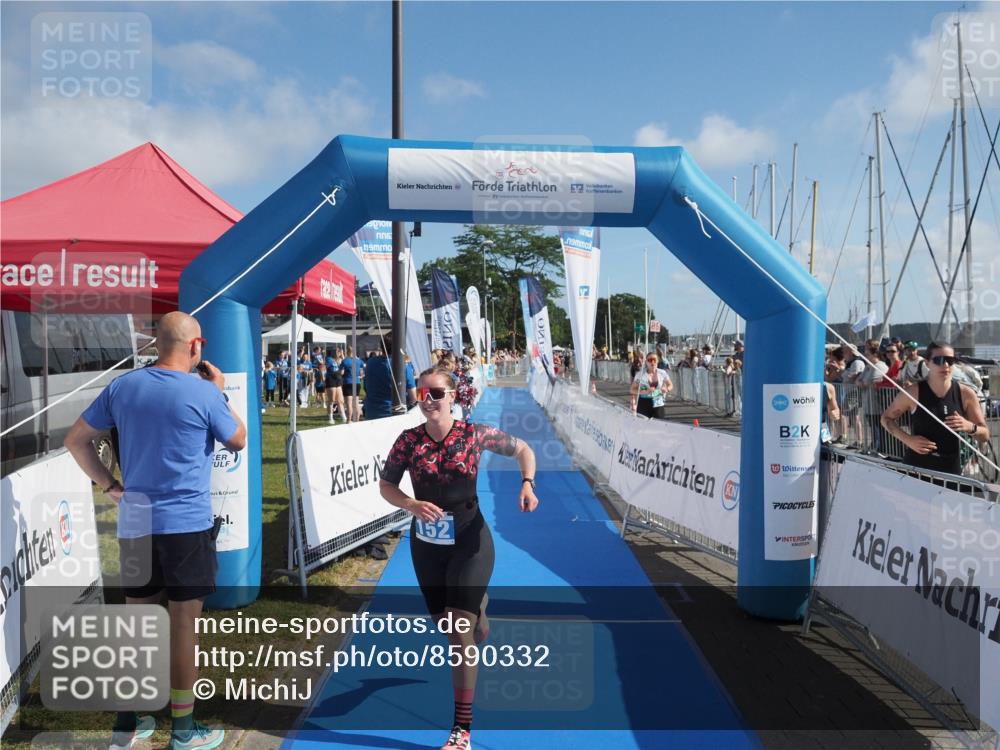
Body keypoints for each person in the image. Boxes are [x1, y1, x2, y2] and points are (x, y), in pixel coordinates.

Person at [64, 311, 247, 750]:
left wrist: (110, 486)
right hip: (186, 526)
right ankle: (183, 730)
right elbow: (238, 439)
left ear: (156, 344)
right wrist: (219, 392)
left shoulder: (122, 386)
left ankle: (128, 722)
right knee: (184, 628)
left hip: (136, 522)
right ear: (196, 346)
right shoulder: (204, 393)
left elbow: (75, 440)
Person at [379, 366, 539, 750]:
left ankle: (461, 730)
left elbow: (523, 449)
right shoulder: (408, 441)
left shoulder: (473, 434)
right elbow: (386, 485)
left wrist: (527, 484)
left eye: (436, 393)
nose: (428, 400)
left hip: (471, 541)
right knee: (450, 625)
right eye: (422, 393)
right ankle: (480, 610)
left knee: (457, 630)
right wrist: (411, 504)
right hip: (427, 547)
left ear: (453, 396)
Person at [881, 341, 989, 475]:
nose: (945, 365)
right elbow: (886, 418)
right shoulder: (913, 392)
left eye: (950, 360)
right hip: (917, 468)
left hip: (951, 470)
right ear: (927, 363)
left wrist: (969, 426)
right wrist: (908, 440)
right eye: (939, 360)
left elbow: (985, 435)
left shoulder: (966, 393)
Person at [630, 352, 673, 419]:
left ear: (657, 361)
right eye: (650, 360)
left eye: (654, 360)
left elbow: (670, 385)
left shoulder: (662, 373)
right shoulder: (640, 374)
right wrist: (644, 391)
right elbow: (632, 390)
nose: (652, 362)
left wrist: (666, 389)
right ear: (646, 362)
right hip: (644, 403)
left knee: (659, 424)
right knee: (643, 424)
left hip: (658, 403)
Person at [340, 346, 364, 422]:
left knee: (349, 403)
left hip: (348, 382)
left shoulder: (345, 361)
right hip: (357, 382)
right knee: (356, 402)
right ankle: (357, 420)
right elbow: (362, 370)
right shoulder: (359, 361)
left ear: (347, 352)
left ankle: (349, 420)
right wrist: (361, 376)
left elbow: (341, 372)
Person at [325, 348, 345, 423]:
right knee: (331, 400)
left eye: (339, 351)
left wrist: (342, 355)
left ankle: (344, 417)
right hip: (331, 380)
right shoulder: (329, 359)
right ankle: (330, 418)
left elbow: (343, 368)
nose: (339, 352)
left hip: (338, 380)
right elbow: (326, 367)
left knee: (340, 400)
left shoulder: (338, 360)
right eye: (337, 351)